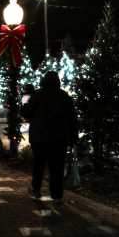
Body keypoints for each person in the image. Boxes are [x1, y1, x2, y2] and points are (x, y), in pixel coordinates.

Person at [20, 71, 78, 203]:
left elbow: (26, 113)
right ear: (57, 82)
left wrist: (24, 100)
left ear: (44, 81)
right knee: (57, 167)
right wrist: (73, 138)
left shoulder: (38, 95)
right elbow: (72, 119)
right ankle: (56, 195)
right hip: (59, 138)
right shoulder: (64, 96)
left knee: (38, 165)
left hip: (39, 138)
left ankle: (36, 190)